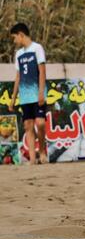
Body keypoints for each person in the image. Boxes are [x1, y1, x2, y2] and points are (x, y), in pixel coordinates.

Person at [8, 23, 48, 165]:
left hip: (37, 93)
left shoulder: (37, 48)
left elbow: (42, 71)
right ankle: (32, 159)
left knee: (41, 123)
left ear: (21, 35)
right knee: (28, 126)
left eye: (14, 38)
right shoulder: (18, 54)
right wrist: (13, 99)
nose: (14, 41)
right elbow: (18, 77)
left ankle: (42, 151)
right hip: (25, 96)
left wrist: (41, 93)